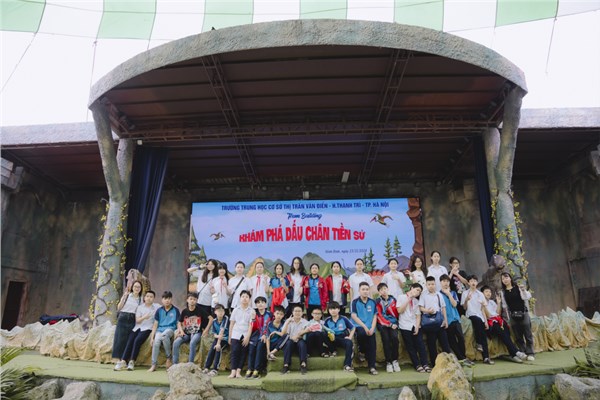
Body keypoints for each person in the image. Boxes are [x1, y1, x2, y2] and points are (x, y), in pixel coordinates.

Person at [114, 289, 159, 371]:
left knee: (137, 341)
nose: (149, 298)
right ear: (144, 298)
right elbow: (137, 320)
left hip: (147, 328)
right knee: (130, 340)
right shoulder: (140, 307)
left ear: (154, 298)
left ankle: (132, 361)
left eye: (151, 297)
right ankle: (123, 361)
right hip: (137, 327)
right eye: (147, 296)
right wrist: (144, 317)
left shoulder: (156, 307)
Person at [482, 285, 527, 363]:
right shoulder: (481, 303)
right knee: (503, 332)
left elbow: (498, 313)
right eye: (486, 292)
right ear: (482, 293)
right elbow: (488, 316)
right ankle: (516, 352)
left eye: (489, 292)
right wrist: (484, 305)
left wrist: (499, 303)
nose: (488, 293)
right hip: (490, 324)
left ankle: (514, 354)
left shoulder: (492, 302)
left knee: (506, 333)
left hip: (498, 321)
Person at [439, 274, 473, 366]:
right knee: (452, 340)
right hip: (447, 320)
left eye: (447, 281)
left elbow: (454, 304)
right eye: (444, 281)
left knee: (461, 338)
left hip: (456, 319)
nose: (446, 283)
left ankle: (463, 357)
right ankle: (461, 358)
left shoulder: (453, 293)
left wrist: (449, 294)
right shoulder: (438, 294)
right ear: (440, 282)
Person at [500, 272, 535, 361]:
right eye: (503, 279)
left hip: (523, 313)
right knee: (517, 335)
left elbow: (527, 297)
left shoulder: (518, 287)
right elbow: (504, 306)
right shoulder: (503, 292)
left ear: (510, 278)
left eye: (506, 277)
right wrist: (507, 318)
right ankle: (522, 351)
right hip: (512, 315)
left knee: (527, 333)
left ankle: (530, 352)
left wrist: (523, 290)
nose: (505, 280)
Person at [397, 283, 430, 372]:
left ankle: (425, 364)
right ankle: (417, 365)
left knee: (421, 345)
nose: (418, 292)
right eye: (417, 290)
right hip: (405, 325)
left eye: (419, 291)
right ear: (411, 288)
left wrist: (417, 326)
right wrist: (409, 299)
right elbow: (400, 310)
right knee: (410, 346)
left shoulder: (416, 301)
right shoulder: (401, 297)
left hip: (415, 324)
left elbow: (418, 315)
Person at [461, 275, 493, 364]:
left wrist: (485, 321)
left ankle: (486, 357)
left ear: (477, 282)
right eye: (471, 281)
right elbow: (464, 308)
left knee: (483, 332)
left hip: (480, 316)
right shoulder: (465, 293)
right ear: (468, 283)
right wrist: (466, 300)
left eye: (475, 281)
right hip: (471, 314)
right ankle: (480, 345)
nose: (473, 282)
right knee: (478, 322)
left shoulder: (480, 294)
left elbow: (482, 309)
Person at [418, 276, 450, 366]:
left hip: (439, 322)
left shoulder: (439, 294)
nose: (431, 286)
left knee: (445, 343)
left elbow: (443, 308)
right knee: (431, 345)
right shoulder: (423, 295)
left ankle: (449, 363)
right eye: (429, 284)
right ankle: (434, 364)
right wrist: (427, 311)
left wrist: (445, 320)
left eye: (432, 284)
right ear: (426, 285)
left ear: (435, 284)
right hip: (429, 323)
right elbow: (420, 307)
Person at [148, 291, 180, 372]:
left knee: (164, 336)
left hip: (171, 329)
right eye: (165, 298)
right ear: (162, 300)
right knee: (156, 341)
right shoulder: (159, 310)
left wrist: (178, 331)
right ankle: (154, 364)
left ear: (171, 299)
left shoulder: (176, 310)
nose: (167, 300)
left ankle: (169, 358)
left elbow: (178, 323)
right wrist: (152, 337)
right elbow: (155, 324)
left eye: (169, 298)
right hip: (160, 330)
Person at [351, 281, 378, 375]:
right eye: (363, 289)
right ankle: (361, 351)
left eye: (367, 289)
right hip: (359, 325)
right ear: (359, 291)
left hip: (370, 327)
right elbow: (354, 316)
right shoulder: (355, 302)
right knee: (362, 333)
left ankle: (372, 367)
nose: (365, 291)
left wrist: (372, 328)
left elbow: (375, 316)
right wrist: (365, 327)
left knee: (372, 345)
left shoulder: (372, 302)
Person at [112, 280, 143, 361]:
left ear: (141, 289)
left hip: (133, 319)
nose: (137, 288)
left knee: (129, 339)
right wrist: (123, 298)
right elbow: (119, 308)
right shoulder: (127, 296)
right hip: (123, 317)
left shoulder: (141, 299)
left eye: (139, 287)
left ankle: (126, 359)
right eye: (135, 286)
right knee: (120, 339)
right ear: (132, 287)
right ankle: (119, 359)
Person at [172, 292, 206, 365]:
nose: (192, 301)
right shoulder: (185, 311)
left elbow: (211, 318)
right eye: (191, 299)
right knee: (176, 342)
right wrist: (181, 331)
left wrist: (206, 330)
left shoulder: (200, 310)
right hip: (186, 333)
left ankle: (190, 364)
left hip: (197, 332)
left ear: (196, 301)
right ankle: (175, 364)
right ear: (187, 300)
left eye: (194, 299)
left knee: (192, 342)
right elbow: (179, 322)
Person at [228, 290, 255, 378]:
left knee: (243, 352)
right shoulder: (236, 310)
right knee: (234, 351)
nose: (244, 298)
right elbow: (232, 323)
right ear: (240, 298)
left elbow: (251, 325)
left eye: (247, 297)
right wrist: (230, 336)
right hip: (235, 333)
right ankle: (233, 371)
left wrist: (247, 337)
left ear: (249, 299)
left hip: (246, 333)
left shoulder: (252, 311)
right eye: (243, 296)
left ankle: (238, 371)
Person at [375, 282, 401, 373]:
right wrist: (389, 324)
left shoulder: (393, 299)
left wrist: (396, 323)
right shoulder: (377, 301)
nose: (384, 291)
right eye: (381, 290)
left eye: (385, 289)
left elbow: (397, 313)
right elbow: (379, 316)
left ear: (388, 289)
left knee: (395, 339)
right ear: (379, 292)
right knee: (386, 340)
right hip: (383, 324)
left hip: (394, 323)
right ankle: (388, 362)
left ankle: (395, 360)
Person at [324, 301, 355, 372]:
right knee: (323, 334)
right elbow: (324, 330)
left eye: (335, 308)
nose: (333, 310)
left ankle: (347, 365)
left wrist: (349, 337)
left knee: (349, 343)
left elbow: (353, 328)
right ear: (328, 310)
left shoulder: (344, 319)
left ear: (338, 309)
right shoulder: (327, 320)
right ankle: (333, 351)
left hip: (342, 338)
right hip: (332, 339)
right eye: (331, 309)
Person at [246, 296, 271, 379]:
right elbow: (252, 327)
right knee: (251, 350)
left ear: (265, 304)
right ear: (256, 305)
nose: (260, 304)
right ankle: (250, 369)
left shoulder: (270, 314)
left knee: (259, 349)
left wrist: (265, 334)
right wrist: (253, 319)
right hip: (254, 336)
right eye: (258, 303)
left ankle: (256, 370)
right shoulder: (254, 314)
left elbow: (269, 326)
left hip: (264, 336)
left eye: (262, 302)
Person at [281, 305, 310, 374]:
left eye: (299, 311)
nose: (297, 313)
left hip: (300, 341)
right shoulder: (288, 321)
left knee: (302, 343)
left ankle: (303, 364)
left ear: (302, 313)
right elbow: (283, 333)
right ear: (292, 312)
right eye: (296, 311)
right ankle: (286, 365)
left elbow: (304, 332)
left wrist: (297, 336)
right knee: (289, 343)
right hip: (290, 342)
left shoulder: (306, 322)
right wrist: (287, 322)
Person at [202, 303, 229, 377]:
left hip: (225, 339)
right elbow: (214, 334)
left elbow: (222, 331)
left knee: (218, 349)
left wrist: (218, 344)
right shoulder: (214, 321)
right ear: (215, 312)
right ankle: (206, 368)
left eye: (222, 311)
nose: (221, 312)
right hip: (217, 339)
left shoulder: (226, 319)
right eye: (218, 311)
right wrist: (217, 339)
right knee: (212, 350)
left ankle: (215, 369)